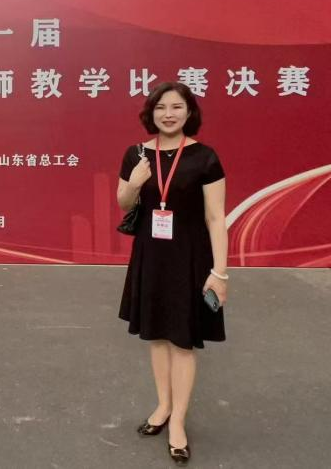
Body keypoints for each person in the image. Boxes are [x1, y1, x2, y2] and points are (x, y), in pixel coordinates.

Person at [116, 82, 229, 466]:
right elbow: (123, 202)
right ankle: (163, 405)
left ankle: (178, 420)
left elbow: (216, 218)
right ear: (151, 112)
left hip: (190, 259)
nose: (168, 114)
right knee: (156, 337)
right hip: (151, 257)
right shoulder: (136, 154)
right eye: (161, 107)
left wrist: (220, 273)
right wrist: (135, 182)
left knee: (182, 341)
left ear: (189, 112)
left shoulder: (205, 157)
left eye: (176, 107)